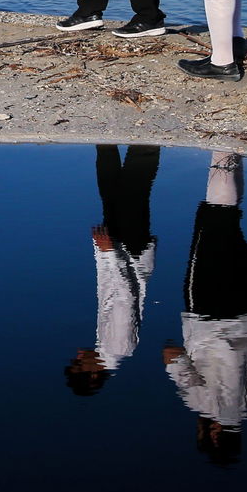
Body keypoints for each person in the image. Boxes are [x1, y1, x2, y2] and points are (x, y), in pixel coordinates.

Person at [163, 152, 247, 465]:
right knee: (212, 220)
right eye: (202, 435)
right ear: (214, 434)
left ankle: (232, 151)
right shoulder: (204, 405)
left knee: (228, 222)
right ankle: (224, 146)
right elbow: (171, 356)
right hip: (208, 311)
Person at [63, 145, 160, 396]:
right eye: (78, 364)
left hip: (121, 253)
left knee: (111, 192)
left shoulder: (107, 346)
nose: (78, 355)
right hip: (130, 254)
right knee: (133, 195)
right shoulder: (118, 346)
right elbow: (125, 297)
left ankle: (108, 142)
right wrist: (109, 253)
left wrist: (106, 254)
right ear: (93, 373)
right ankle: (146, 144)